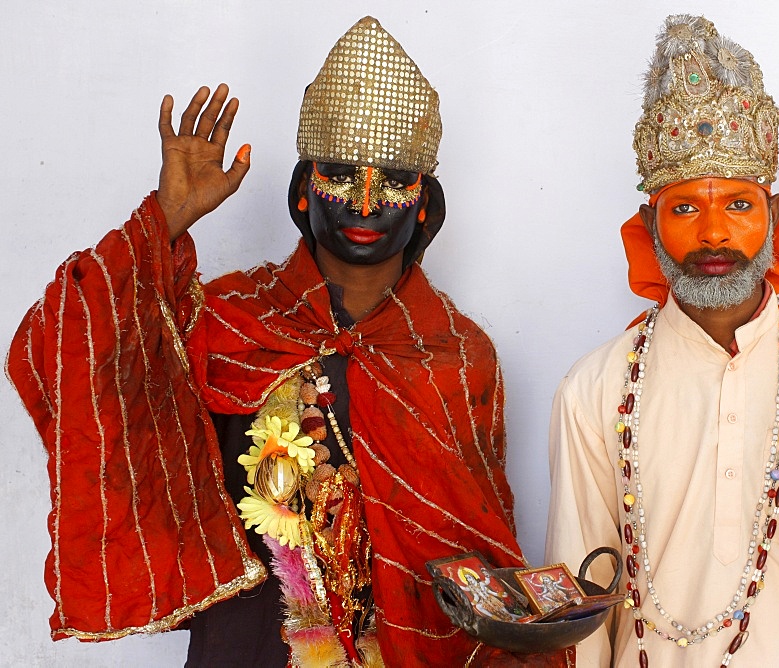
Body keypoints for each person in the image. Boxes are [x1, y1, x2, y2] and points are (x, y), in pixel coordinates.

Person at [7, 16, 570, 667]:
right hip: (247, 649)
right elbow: (63, 348)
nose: (364, 203)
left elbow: (482, 549)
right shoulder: (225, 320)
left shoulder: (461, 354)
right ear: (302, 195)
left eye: (393, 180)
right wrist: (166, 218)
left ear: (424, 206)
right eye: (338, 174)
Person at [544, 14, 779, 666]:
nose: (715, 235)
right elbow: (579, 609)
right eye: (687, 207)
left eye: (739, 206)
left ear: (777, 216)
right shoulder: (596, 388)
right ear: (650, 224)